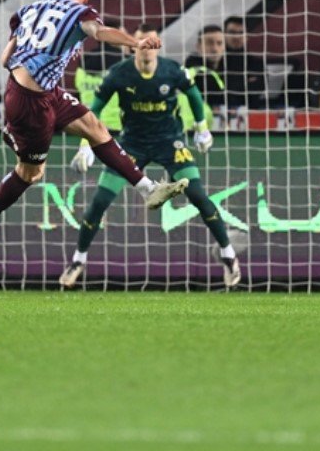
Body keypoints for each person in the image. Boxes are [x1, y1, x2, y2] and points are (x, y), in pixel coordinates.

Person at [0, 0, 188, 234]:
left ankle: (148, 189)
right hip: (31, 105)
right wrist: (136, 42)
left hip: (40, 91)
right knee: (31, 174)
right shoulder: (80, 12)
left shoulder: (29, 10)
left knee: (95, 128)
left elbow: (5, 60)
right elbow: (100, 32)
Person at [64, 25, 237, 289]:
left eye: (151, 43)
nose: (146, 49)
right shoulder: (118, 75)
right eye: (141, 43)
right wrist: (85, 144)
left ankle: (228, 255)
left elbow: (192, 93)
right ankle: (78, 260)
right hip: (132, 144)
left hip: (169, 141)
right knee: (100, 201)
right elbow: (93, 110)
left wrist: (202, 127)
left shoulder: (171, 71)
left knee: (199, 196)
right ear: (133, 46)